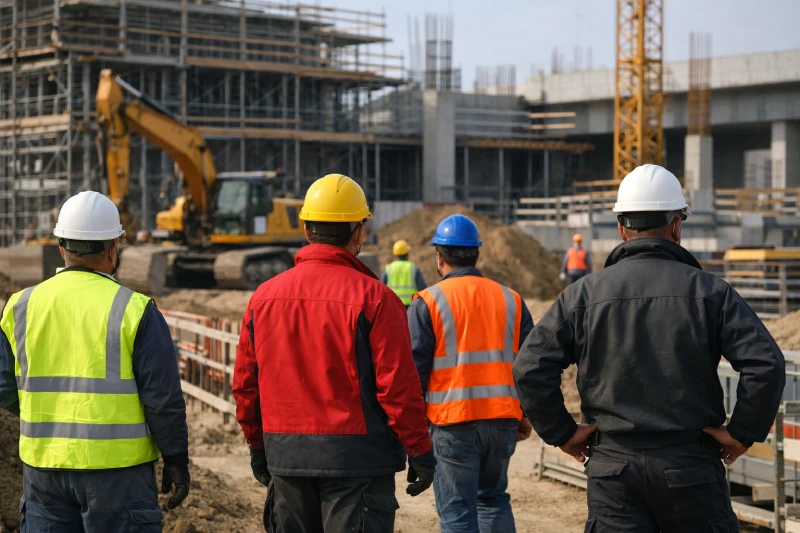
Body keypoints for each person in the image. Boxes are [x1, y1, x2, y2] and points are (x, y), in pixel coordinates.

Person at [513, 164, 786, 533]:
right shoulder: (710, 292)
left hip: (613, 470)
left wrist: (563, 433)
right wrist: (741, 433)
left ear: (622, 228)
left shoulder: (582, 296)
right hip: (690, 465)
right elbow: (765, 364)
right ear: (676, 225)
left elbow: (530, 367)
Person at [232, 174, 436, 533]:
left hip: (287, 458)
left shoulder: (262, 298)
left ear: (307, 229)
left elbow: (247, 385)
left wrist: (258, 446)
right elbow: (398, 389)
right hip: (358, 464)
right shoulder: (376, 298)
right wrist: (420, 451)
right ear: (358, 232)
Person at [0, 191, 190, 533]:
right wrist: (176, 459)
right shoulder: (135, 310)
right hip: (119, 475)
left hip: (45, 471)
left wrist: (47, 415)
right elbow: (163, 400)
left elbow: (2, 386)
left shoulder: (20, 306)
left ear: (61, 247)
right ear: (113, 248)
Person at [408, 214, 535, 533]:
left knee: (457, 512)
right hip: (503, 420)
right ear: (477, 253)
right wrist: (525, 415)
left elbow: (414, 374)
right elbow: (532, 366)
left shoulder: (428, 302)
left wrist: (413, 434)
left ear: (439, 256)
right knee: (493, 500)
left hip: (453, 422)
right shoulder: (512, 300)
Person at [381, 239, 427, 307]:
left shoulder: (388, 268)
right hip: (411, 306)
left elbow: (381, 289)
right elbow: (422, 288)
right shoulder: (413, 268)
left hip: (393, 305)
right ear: (407, 252)